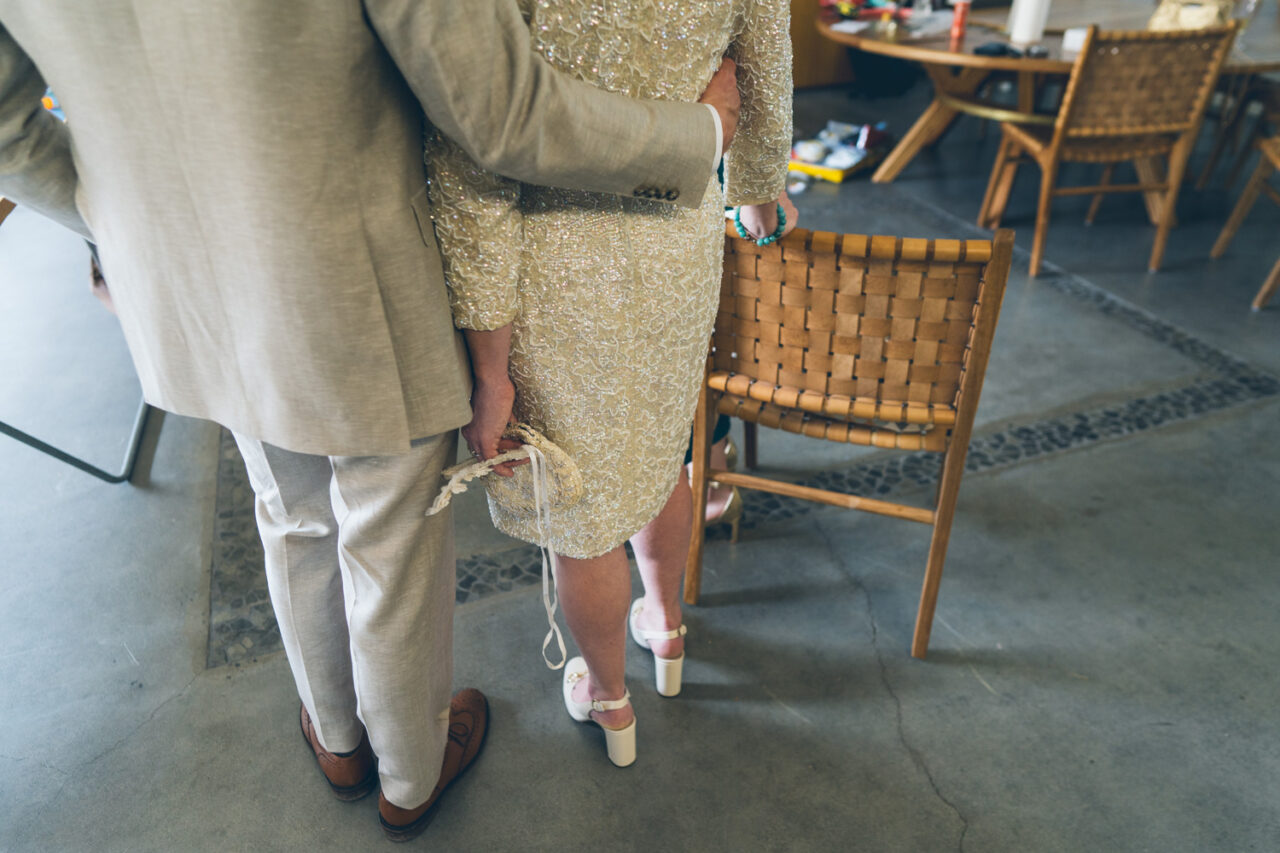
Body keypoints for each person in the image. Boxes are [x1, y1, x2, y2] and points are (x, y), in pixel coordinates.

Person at [0, 1, 740, 841]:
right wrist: (698, 136)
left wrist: (117, 221)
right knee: (388, 535)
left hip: (179, 279)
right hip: (351, 275)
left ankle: (339, 738)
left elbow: (7, 124)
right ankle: (410, 774)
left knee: (287, 508)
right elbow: (500, 113)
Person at [427, 0, 794, 767]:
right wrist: (757, 180)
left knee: (582, 503)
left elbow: (471, 153)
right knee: (663, 451)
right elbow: (766, 58)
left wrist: (489, 365)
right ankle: (665, 625)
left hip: (551, 255)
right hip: (680, 235)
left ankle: (609, 696)